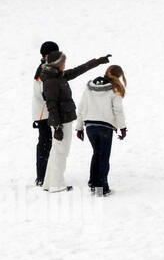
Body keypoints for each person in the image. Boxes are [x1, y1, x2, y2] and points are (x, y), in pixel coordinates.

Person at [40, 49, 112, 192]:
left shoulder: (57, 76)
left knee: (56, 151)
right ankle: (57, 184)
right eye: (63, 62)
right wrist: (57, 126)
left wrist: (98, 61)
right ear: (57, 64)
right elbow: (51, 105)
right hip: (61, 121)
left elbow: (79, 70)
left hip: (63, 119)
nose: (65, 64)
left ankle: (49, 182)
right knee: (61, 152)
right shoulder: (52, 81)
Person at [74, 63, 127, 196]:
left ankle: (93, 184)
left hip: (90, 126)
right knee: (103, 157)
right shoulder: (114, 89)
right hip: (105, 128)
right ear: (119, 76)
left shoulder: (89, 87)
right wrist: (123, 128)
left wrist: (79, 128)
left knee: (97, 154)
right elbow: (118, 110)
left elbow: (81, 107)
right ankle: (102, 188)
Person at [31, 40, 59, 187]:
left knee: (47, 143)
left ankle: (45, 174)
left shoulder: (47, 67)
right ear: (47, 55)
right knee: (45, 144)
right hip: (44, 114)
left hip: (45, 113)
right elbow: (45, 93)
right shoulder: (44, 70)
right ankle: (42, 176)